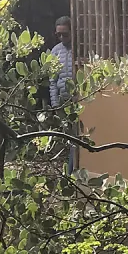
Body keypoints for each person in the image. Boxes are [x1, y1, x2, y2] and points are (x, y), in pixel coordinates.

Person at [48, 17, 76, 172]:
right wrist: (55, 104)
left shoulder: (79, 49)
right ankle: (71, 171)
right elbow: (52, 81)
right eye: (58, 34)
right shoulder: (55, 51)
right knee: (70, 139)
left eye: (65, 34)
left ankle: (71, 172)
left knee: (77, 138)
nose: (61, 38)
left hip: (78, 101)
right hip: (62, 102)